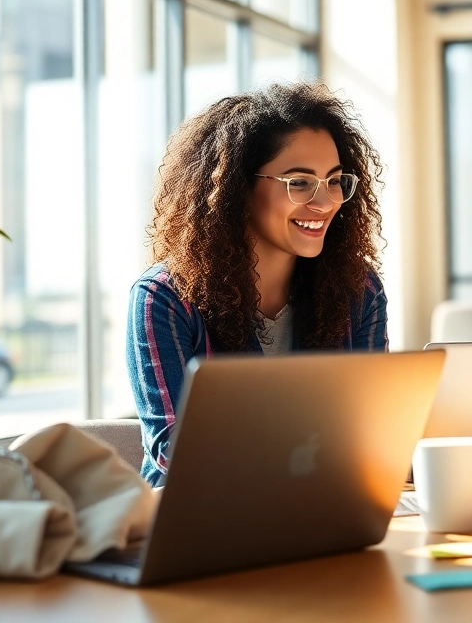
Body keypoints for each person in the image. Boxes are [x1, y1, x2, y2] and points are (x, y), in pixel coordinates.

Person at [127, 83, 388, 486]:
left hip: (327, 505)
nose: (325, 202)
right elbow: (176, 450)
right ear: (238, 188)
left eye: (335, 181)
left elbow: (377, 427)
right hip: (206, 522)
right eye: (299, 182)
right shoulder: (164, 297)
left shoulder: (359, 289)